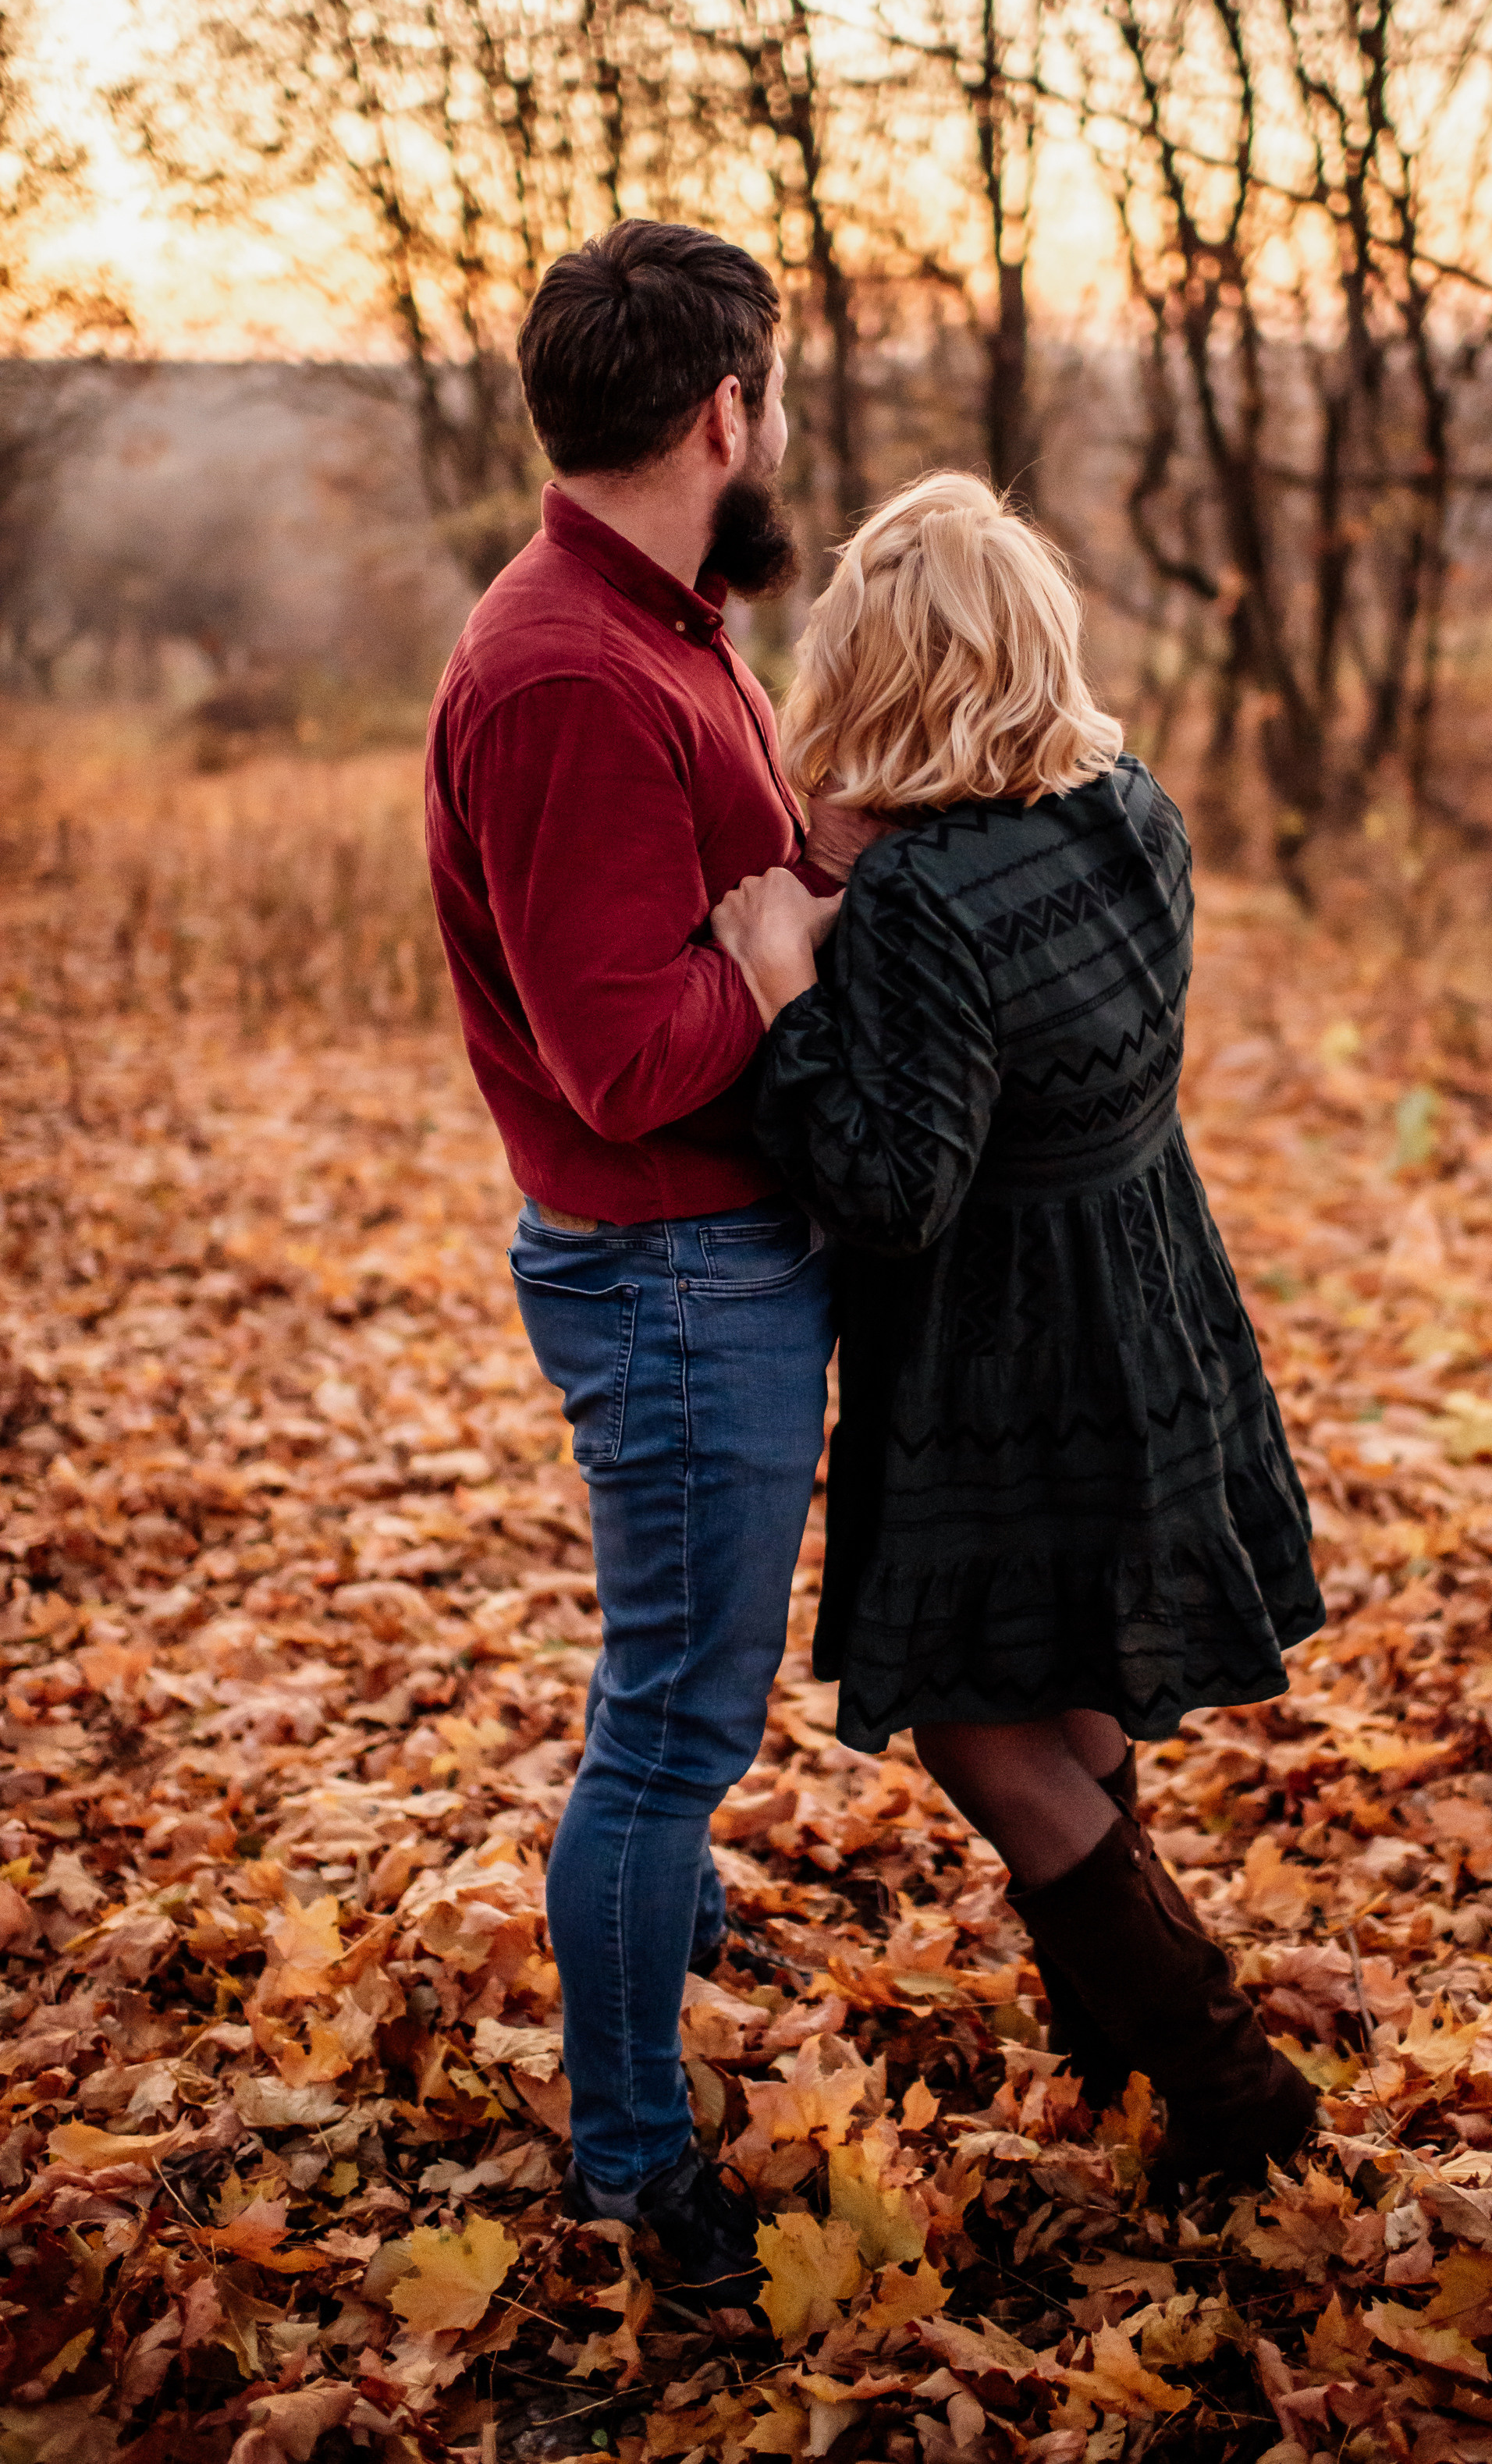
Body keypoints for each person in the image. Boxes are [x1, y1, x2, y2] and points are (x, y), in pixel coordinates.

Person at [711, 473, 1324, 2183]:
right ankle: (1117, 2037)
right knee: (1068, 1672)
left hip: (1004, 1347)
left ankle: (1226, 2082)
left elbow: (891, 1183)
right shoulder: (1127, 803)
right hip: (1148, 1289)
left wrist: (784, 975)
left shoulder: (914, 903)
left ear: (885, 670)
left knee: (987, 1719)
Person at [424, 221, 843, 2306]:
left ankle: (657, 1920)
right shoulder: (574, 668)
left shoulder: (660, 622)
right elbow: (616, 1053)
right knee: (674, 1727)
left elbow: (731, 866)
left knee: (671, 1690)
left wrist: (824, 856)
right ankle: (630, 2156)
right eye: (764, 393)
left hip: (714, 1254)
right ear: (723, 409)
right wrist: (770, 959)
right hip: (671, 1270)